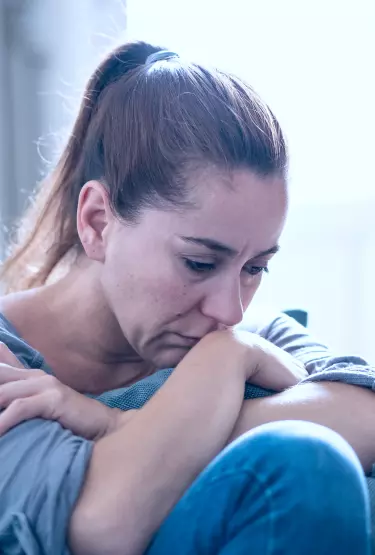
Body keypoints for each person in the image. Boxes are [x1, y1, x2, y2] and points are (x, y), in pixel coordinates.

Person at [0, 41, 374, 555]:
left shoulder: (254, 338)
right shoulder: (9, 368)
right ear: (98, 223)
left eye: (255, 267)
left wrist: (123, 422)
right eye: (199, 263)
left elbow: (368, 413)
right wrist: (225, 373)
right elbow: (103, 523)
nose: (230, 312)